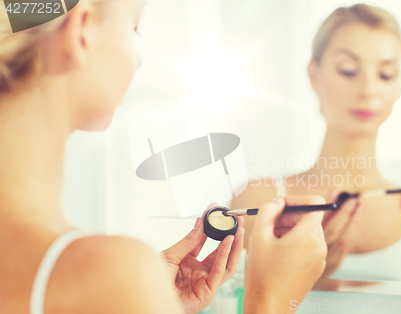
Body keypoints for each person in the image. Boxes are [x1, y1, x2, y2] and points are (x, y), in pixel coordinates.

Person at [0, 0, 337, 313]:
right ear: (82, 32)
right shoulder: (107, 274)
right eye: (134, 29)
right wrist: (275, 298)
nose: (138, 59)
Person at [232, 3, 401, 282]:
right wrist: (306, 277)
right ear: (314, 75)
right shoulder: (259, 202)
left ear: (400, 85)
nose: (368, 89)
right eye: (348, 70)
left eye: (386, 74)